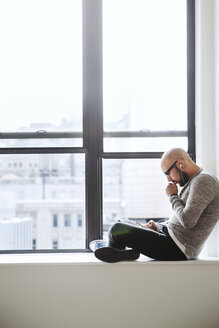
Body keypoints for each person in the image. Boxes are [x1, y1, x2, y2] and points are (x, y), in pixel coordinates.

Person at [91, 148, 219, 263]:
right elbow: (180, 223)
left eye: (168, 173)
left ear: (181, 163)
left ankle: (113, 247)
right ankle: (119, 250)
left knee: (117, 229)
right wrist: (157, 227)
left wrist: (173, 196)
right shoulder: (195, 181)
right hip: (170, 238)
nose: (169, 179)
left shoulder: (204, 181)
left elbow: (188, 221)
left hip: (178, 248)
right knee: (123, 222)